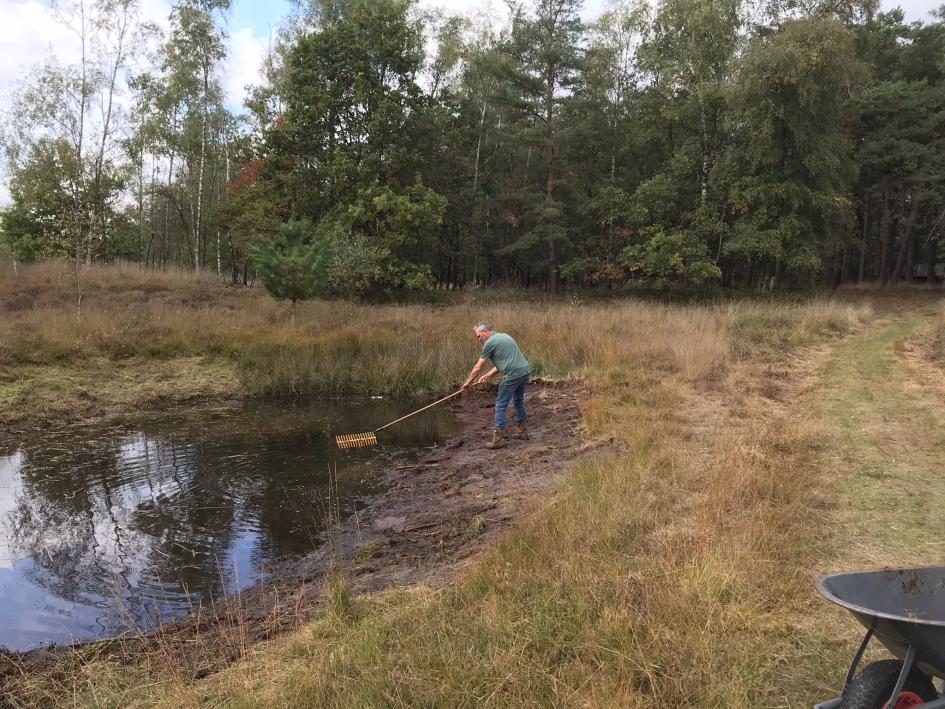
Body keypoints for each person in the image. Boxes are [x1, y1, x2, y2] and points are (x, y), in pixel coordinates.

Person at [462, 322, 531, 449]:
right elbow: (506, 361)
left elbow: (477, 368)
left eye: (478, 336)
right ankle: (523, 432)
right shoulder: (504, 336)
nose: (479, 339)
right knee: (518, 401)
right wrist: (487, 375)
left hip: (513, 374)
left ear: (484, 332)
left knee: (500, 404)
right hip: (524, 371)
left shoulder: (489, 343)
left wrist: (468, 383)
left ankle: (498, 439)